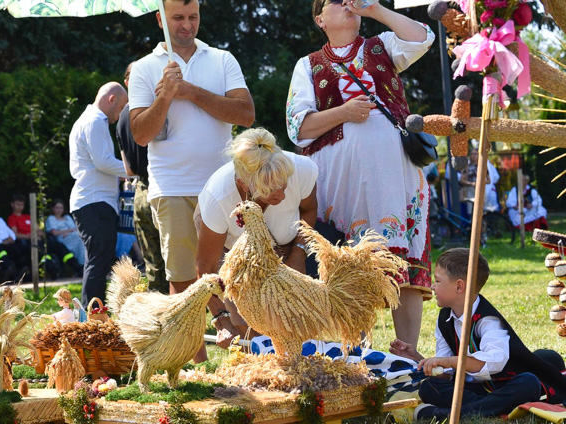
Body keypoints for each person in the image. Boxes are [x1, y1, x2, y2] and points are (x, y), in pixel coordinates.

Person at [286, 0, 434, 350]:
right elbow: (298, 127)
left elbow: (422, 38)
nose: (346, 3)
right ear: (320, 18)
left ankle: (407, 353)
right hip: (342, 183)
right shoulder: (308, 65)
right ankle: (357, 351)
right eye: (335, 1)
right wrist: (344, 113)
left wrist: (377, 10)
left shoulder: (382, 44)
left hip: (396, 176)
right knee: (348, 263)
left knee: (406, 267)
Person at [129, 0, 255, 301]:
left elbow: (246, 114)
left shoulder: (223, 59)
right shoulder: (145, 68)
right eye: (178, 18)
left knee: (236, 276)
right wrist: (166, 98)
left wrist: (191, 92)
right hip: (173, 187)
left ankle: (244, 345)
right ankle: (193, 350)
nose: (187, 24)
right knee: (183, 282)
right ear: (160, 20)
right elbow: (141, 135)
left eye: (193, 16)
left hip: (223, 185)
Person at [390, 248, 566, 421]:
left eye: (437, 281)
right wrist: (419, 359)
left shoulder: (489, 320)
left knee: (529, 383)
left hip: (505, 383)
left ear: (459, 286)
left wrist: (450, 361)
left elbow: (494, 362)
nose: (432, 286)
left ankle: (451, 414)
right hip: (475, 389)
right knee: (429, 387)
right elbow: (446, 373)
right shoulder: (445, 318)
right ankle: (485, 408)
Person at [196, 127, 318, 348]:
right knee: (250, 328)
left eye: (283, 186)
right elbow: (206, 265)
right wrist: (221, 320)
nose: (281, 195)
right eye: (270, 190)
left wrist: (299, 252)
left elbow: (309, 210)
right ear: (244, 184)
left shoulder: (301, 170)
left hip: (285, 245)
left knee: (295, 320)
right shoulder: (218, 197)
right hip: (234, 254)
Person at [69, 83, 129, 303]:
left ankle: (92, 315)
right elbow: (103, 162)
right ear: (111, 98)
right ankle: (93, 316)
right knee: (99, 262)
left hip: (92, 200)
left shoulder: (88, 120)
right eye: (122, 107)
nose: (121, 114)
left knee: (96, 261)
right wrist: (135, 171)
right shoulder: (95, 121)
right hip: (95, 201)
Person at [117, 61, 167, 293]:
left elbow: (128, 170)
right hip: (165, 189)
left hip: (140, 194)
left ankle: (156, 317)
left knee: (153, 265)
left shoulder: (121, 119)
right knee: (178, 262)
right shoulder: (157, 110)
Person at [45, 198, 85, 268]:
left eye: (61, 208)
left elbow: (75, 229)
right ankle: (81, 264)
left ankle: (85, 263)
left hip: (73, 235)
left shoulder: (67, 217)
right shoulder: (51, 218)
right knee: (80, 240)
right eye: (57, 208)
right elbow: (55, 233)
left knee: (83, 238)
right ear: (53, 209)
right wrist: (69, 231)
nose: (59, 210)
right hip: (62, 238)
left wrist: (69, 231)